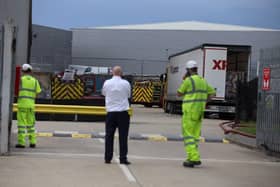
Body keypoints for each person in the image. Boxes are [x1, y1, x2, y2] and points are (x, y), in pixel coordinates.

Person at [177, 60, 216, 167]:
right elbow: (212, 93)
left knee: (188, 135)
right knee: (194, 136)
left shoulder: (188, 80)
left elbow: (179, 93)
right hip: (199, 112)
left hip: (189, 111)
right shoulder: (203, 80)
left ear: (188, 70)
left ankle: (194, 157)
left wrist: (184, 79)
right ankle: (190, 157)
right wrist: (204, 101)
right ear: (196, 69)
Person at [102, 66, 131, 165]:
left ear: (112, 72)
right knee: (123, 136)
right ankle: (123, 158)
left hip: (111, 112)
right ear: (121, 73)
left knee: (109, 136)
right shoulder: (126, 83)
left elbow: (104, 93)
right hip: (123, 112)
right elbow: (128, 95)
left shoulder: (107, 83)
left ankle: (107, 158)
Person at [16, 63, 41, 148]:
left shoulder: (21, 80)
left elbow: (16, 92)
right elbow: (38, 93)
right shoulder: (35, 81)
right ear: (31, 71)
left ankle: (21, 143)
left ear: (23, 71)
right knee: (31, 125)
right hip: (31, 106)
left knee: (21, 125)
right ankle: (32, 142)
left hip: (22, 105)